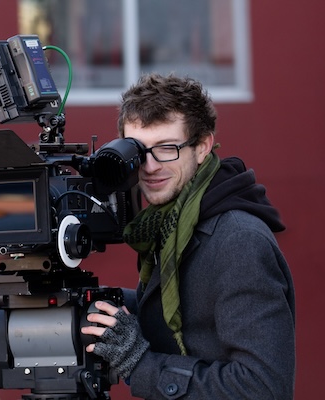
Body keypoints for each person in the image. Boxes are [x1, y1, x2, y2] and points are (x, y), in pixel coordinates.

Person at [81, 74, 295, 399]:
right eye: (139, 151)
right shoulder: (170, 223)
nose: (150, 167)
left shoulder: (239, 242)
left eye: (167, 148)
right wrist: (102, 304)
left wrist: (139, 363)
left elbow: (263, 388)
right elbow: (196, 318)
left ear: (202, 147)